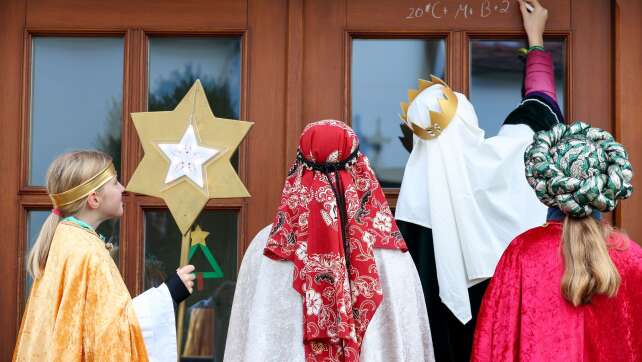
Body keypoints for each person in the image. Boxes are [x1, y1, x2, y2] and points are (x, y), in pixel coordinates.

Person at [394, 0, 560, 360]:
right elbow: (541, 107)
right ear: (469, 122)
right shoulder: (511, 164)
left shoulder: (407, 218)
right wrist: (536, 43)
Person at [224, 120, 434, 361]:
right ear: (360, 169)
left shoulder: (267, 247)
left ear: (298, 170)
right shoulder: (391, 253)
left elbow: (243, 342)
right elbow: (411, 342)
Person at [472, 120, 641, 361]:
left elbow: (495, 345)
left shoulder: (523, 254)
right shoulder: (633, 258)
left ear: (547, 186)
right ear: (606, 183)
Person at [13, 150, 196, 361]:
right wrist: (170, 293)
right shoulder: (88, 252)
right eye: (116, 183)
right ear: (94, 199)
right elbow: (110, 335)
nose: (123, 188)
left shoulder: (68, 239)